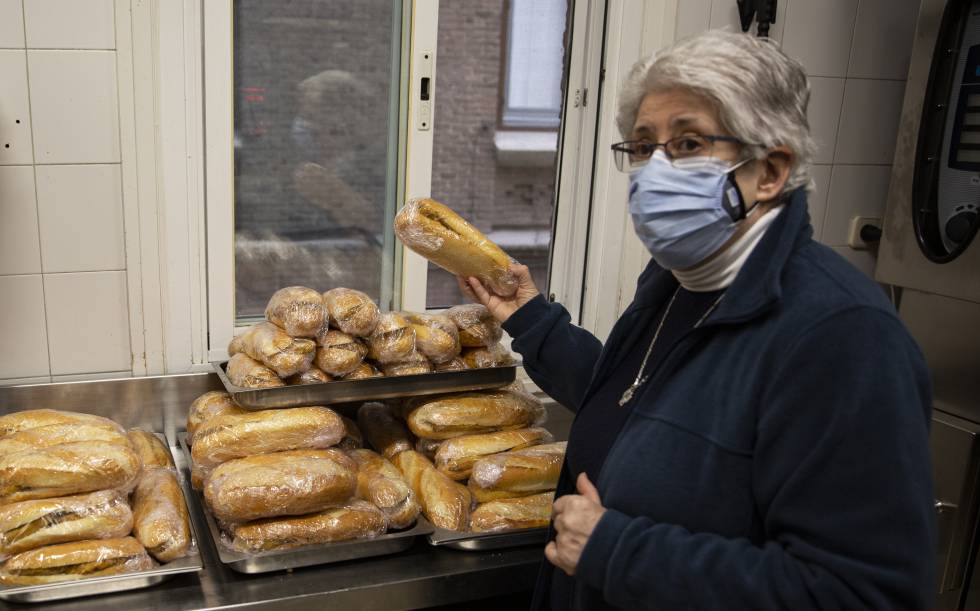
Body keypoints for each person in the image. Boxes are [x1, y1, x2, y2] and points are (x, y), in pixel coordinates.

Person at [459, 30, 935, 611]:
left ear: (770, 170)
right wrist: (534, 321)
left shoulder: (843, 337)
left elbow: (864, 594)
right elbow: (643, 408)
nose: (654, 170)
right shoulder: (678, 281)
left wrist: (617, 551)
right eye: (641, 146)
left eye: (686, 143)